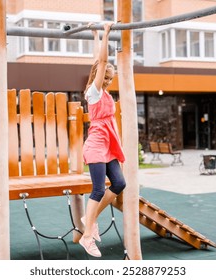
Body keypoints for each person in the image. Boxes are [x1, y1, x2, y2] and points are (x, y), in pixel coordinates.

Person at [79, 22, 126, 258]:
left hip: (107, 146)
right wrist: (107, 34)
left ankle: (90, 218)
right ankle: (87, 236)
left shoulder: (104, 93)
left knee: (119, 183)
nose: (110, 78)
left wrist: (96, 34)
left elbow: (98, 61)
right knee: (98, 189)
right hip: (96, 146)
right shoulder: (94, 92)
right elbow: (102, 61)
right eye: (109, 75)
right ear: (103, 76)